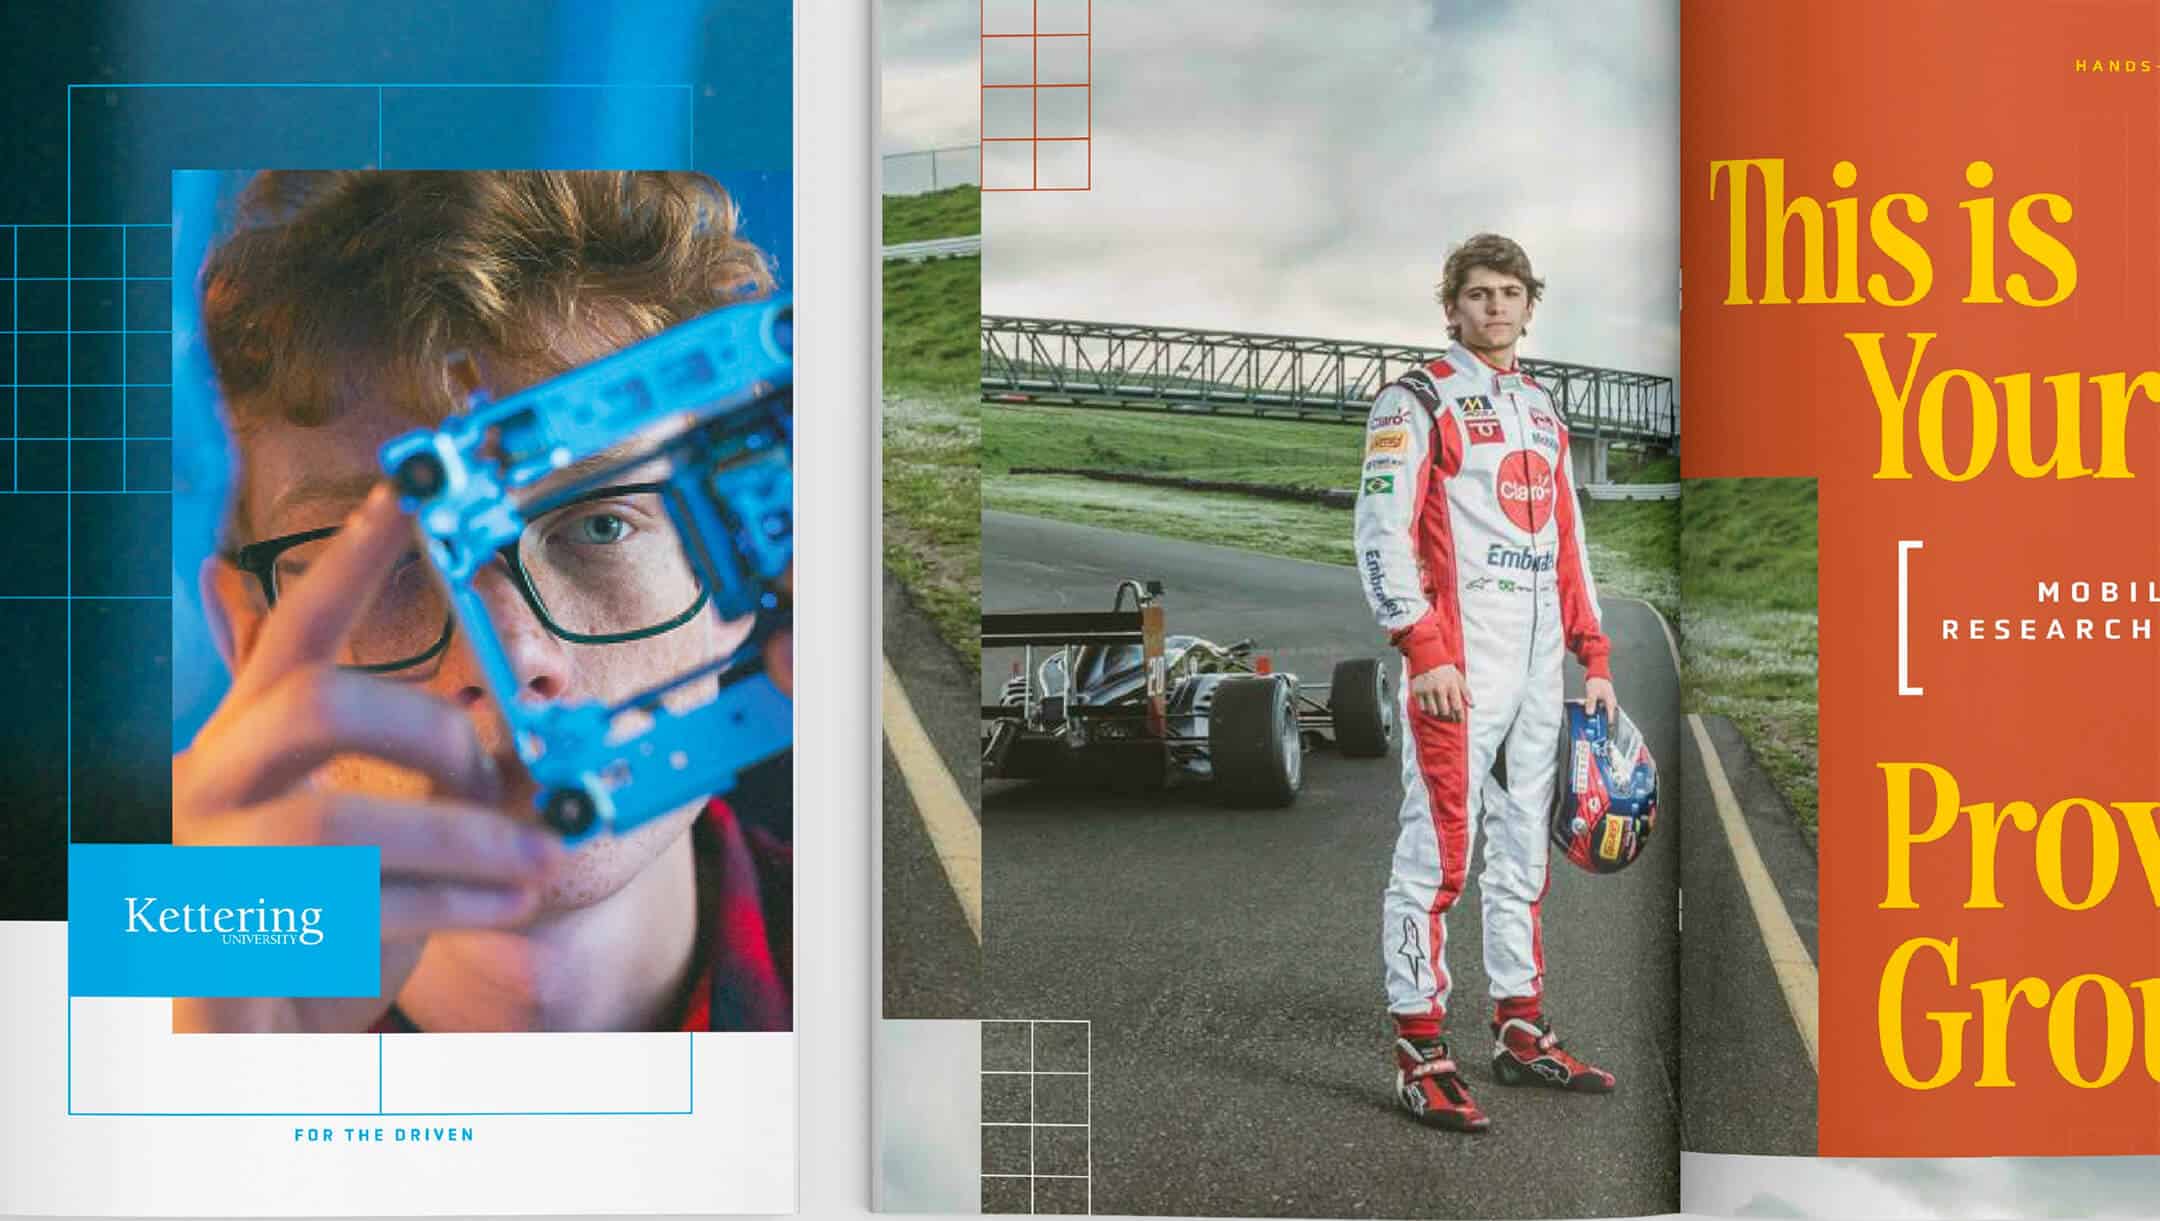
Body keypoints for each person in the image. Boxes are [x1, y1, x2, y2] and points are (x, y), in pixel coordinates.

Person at [171, 171, 792, 1034]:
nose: (509, 660)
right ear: (246, 636)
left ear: (745, 550)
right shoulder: (92, 1017)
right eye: (387, 559)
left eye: (601, 524)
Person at [1352, 233, 1621, 1132]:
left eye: (1510, 292)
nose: (1496, 306)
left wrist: (1597, 658)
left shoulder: (1544, 411)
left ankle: (1519, 1026)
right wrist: (1421, 647)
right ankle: (1420, 1046)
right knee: (1436, 853)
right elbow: (1380, 532)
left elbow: (1568, 548)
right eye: (1478, 292)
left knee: (1525, 853)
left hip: (1542, 670)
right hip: (1460, 671)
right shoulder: (1416, 398)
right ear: (1453, 305)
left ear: (1530, 305)